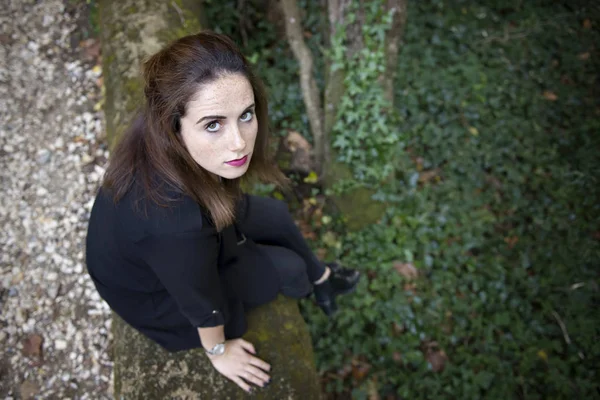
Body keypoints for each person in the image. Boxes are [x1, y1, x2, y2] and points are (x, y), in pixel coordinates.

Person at [85, 31, 360, 394]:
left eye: (245, 115)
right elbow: (200, 303)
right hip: (160, 294)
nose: (239, 142)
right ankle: (311, 284)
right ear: (174, 127)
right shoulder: (173, 224)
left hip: (193, 226)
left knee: (275, 214)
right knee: (289, 270)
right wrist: (218, 351)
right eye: (213, 124)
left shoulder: (163, 130)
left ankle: (323, 280)